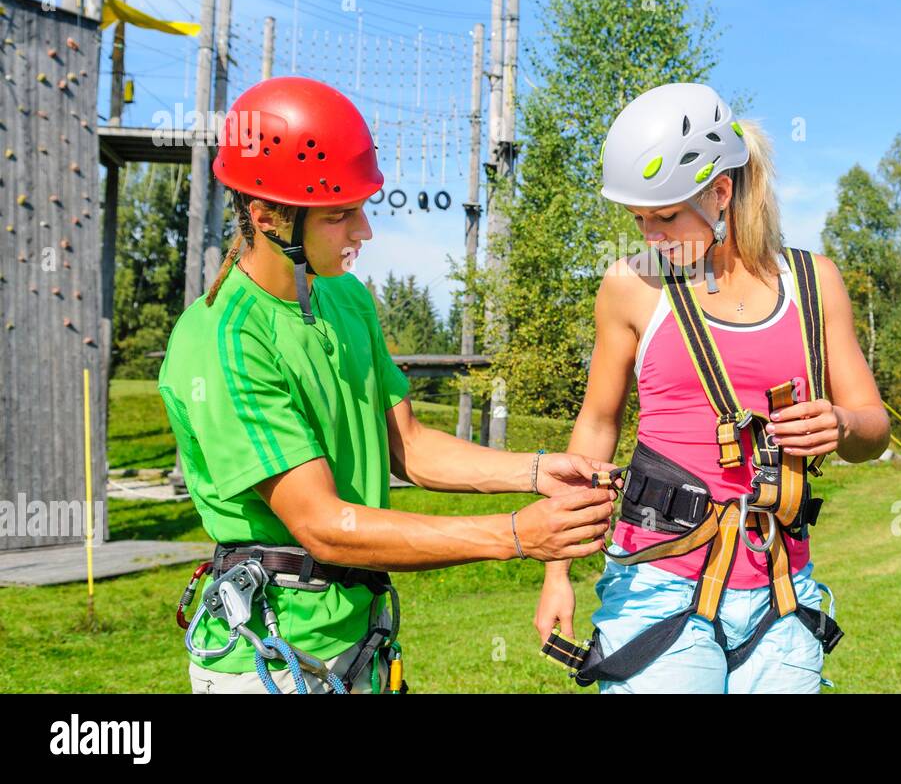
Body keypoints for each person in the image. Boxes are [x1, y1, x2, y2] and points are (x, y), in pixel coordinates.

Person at [159, 76, 616, 694]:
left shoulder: (345, 299)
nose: (364, 231)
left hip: (362, 643)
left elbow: (411, 444)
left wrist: (537, 471)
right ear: (267, 217)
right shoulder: (224, 342)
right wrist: (512, 536)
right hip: (270, 660)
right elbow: (320, 523)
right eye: (340, 213)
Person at [534, 83, 890, 693]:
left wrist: (844, 424)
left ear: (720, 191)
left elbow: (872, 428)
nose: (650, 236)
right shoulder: (631, 286)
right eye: (638, 218)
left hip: (781, 587)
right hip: (655, 583)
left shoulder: (815, 284)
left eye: (666, 216)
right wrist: (556, 570)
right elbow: (597, 426)